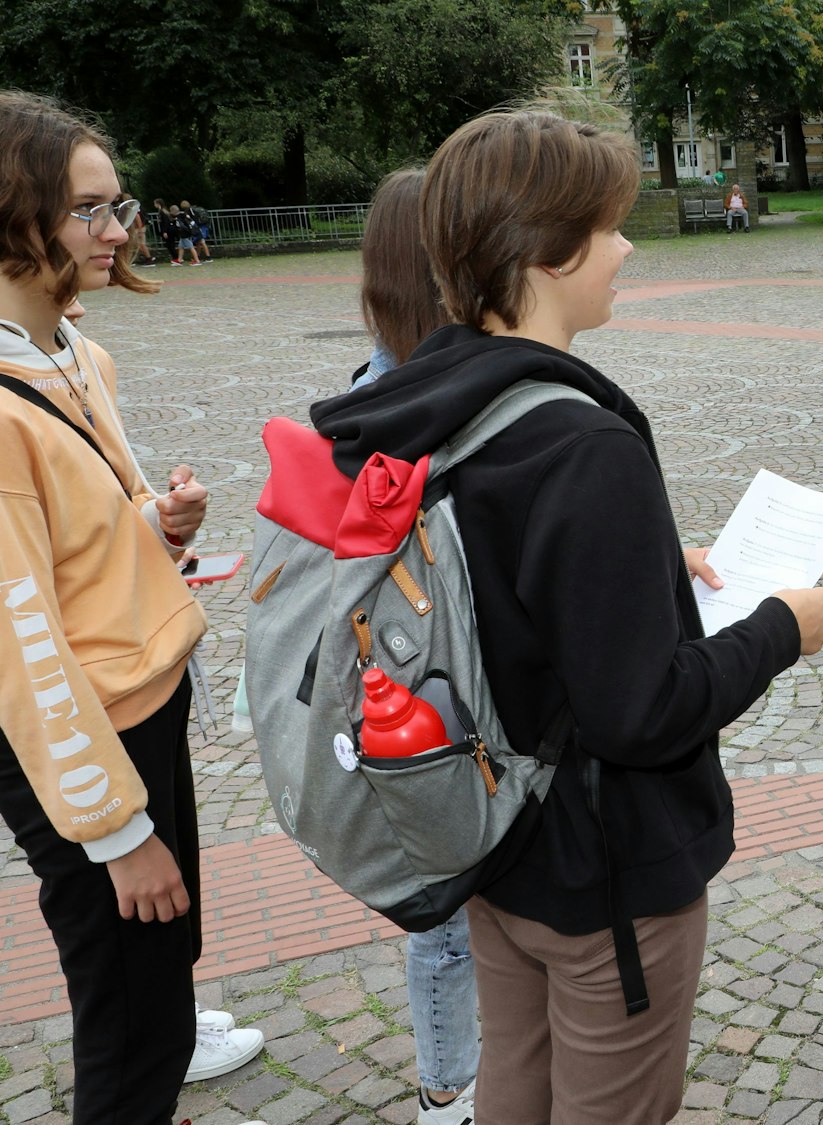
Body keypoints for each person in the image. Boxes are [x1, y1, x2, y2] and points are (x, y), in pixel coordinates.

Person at [307, 109, 823, 1125]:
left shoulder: (423, 399)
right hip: (605, 875)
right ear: (547, 253)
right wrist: (781, 628)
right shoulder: (580, 445)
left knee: (514, 1082)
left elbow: (489, 578)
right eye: (608, 225)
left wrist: (639, 568)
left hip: (491, 842)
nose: (628, 246)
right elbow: (640, 713)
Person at [0, 91, 268, 1125]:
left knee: (163, 981)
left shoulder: (77, 356)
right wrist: (114, 829)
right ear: (7, 214)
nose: (119, 231)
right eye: (90, 211)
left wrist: (156, 526)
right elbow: (15, 644)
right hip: (83, 745)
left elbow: (82, 547)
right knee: (133, 1034)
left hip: (148, 703)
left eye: (115, 204)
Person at [335, 167, 478, 1125]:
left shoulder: (369, 386)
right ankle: (447, 1087)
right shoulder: (412, 403)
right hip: (429, 686)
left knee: (454, 904)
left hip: (408, 679)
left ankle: (458, 1076)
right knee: (447, 909)